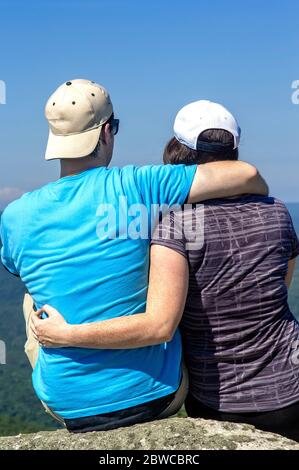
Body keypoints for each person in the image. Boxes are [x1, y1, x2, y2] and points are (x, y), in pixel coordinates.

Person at [1, 82, 267, 433]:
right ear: (107, 131)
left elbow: (17, 266)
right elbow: (246, 175)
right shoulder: (138, 186)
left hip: (65, 404)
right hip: (156, 396)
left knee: (30, 296)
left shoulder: (14, 216)